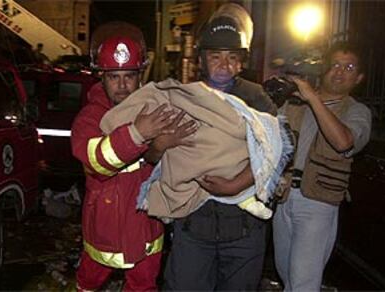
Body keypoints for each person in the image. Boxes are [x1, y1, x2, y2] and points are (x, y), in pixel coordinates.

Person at [163, 3, 278, 291]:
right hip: (193, 225)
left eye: (232, 57)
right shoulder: (184, 97)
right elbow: (156, 155)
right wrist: (162, 143)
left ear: (242, 62)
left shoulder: (256, 98)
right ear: (201, 60)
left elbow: (276, 151)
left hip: (243, 229)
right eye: (215, 56)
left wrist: (236, 184)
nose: (224, 65)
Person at [71, 36, 196, 291]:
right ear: (101, 78)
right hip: (104, 225)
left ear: (141, 76)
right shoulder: (90, 117)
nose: (122, 86)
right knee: (88, 282)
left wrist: (163, 146)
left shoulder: (156, 108)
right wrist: (137, 134)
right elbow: (97, 162)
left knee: (143, 286)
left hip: (146, 225)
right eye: (113, 77)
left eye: (129, 76)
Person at [273, 41, 372, 291]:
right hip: (283, 196)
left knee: (304, 282)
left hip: (318, 201)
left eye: (348, 67)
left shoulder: (357, 111)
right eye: (335, 64)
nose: (339, 72)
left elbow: (343, 142)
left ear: (359, 77)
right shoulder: (295, 102)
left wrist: (313, 99)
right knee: (286, 275)